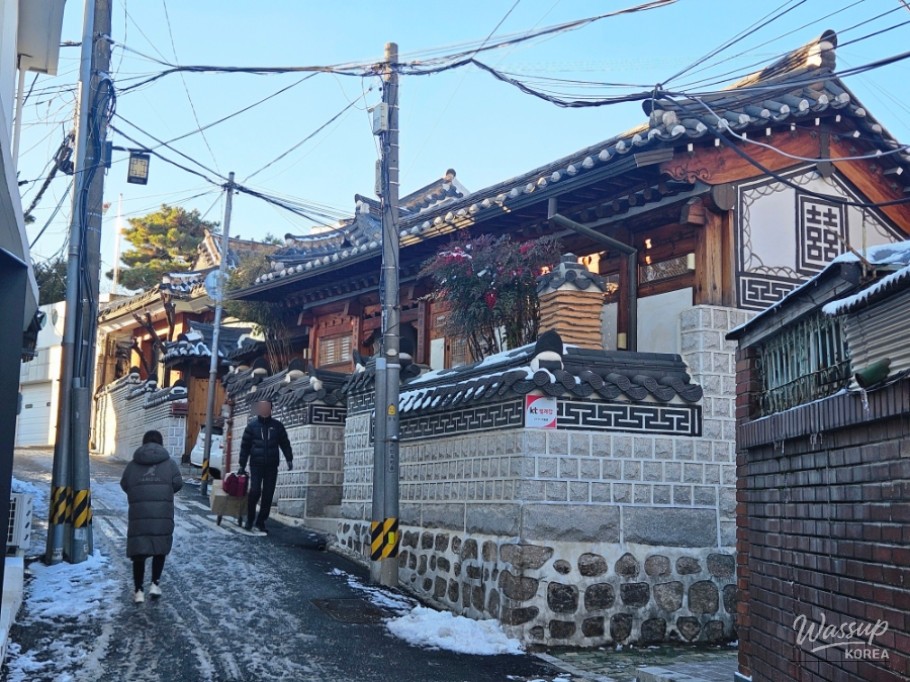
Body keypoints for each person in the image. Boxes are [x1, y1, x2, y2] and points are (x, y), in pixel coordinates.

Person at [120, 430, 183, 604]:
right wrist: (165, 492)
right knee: (159, 548)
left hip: (139, 514)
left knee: (139, 551)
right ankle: (155, 584)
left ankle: (138, 590)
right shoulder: (169, 464)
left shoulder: (133, 464)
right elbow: (178, 483)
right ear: (161, 444)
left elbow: (125, 483)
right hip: (162, 513)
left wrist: (138, 493)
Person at [238, 399, 293, 534]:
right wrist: (242, 465)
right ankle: (250, 519)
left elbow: (284, 443)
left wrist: (289, 459)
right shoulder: (252, 427)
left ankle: (261, 521)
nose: (264, 409)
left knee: (268, 495)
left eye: (266, 407)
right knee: (255, 491)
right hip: (256, 464)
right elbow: (245, 447)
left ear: (270, 409)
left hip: (272, 465)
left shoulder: (277, 426)